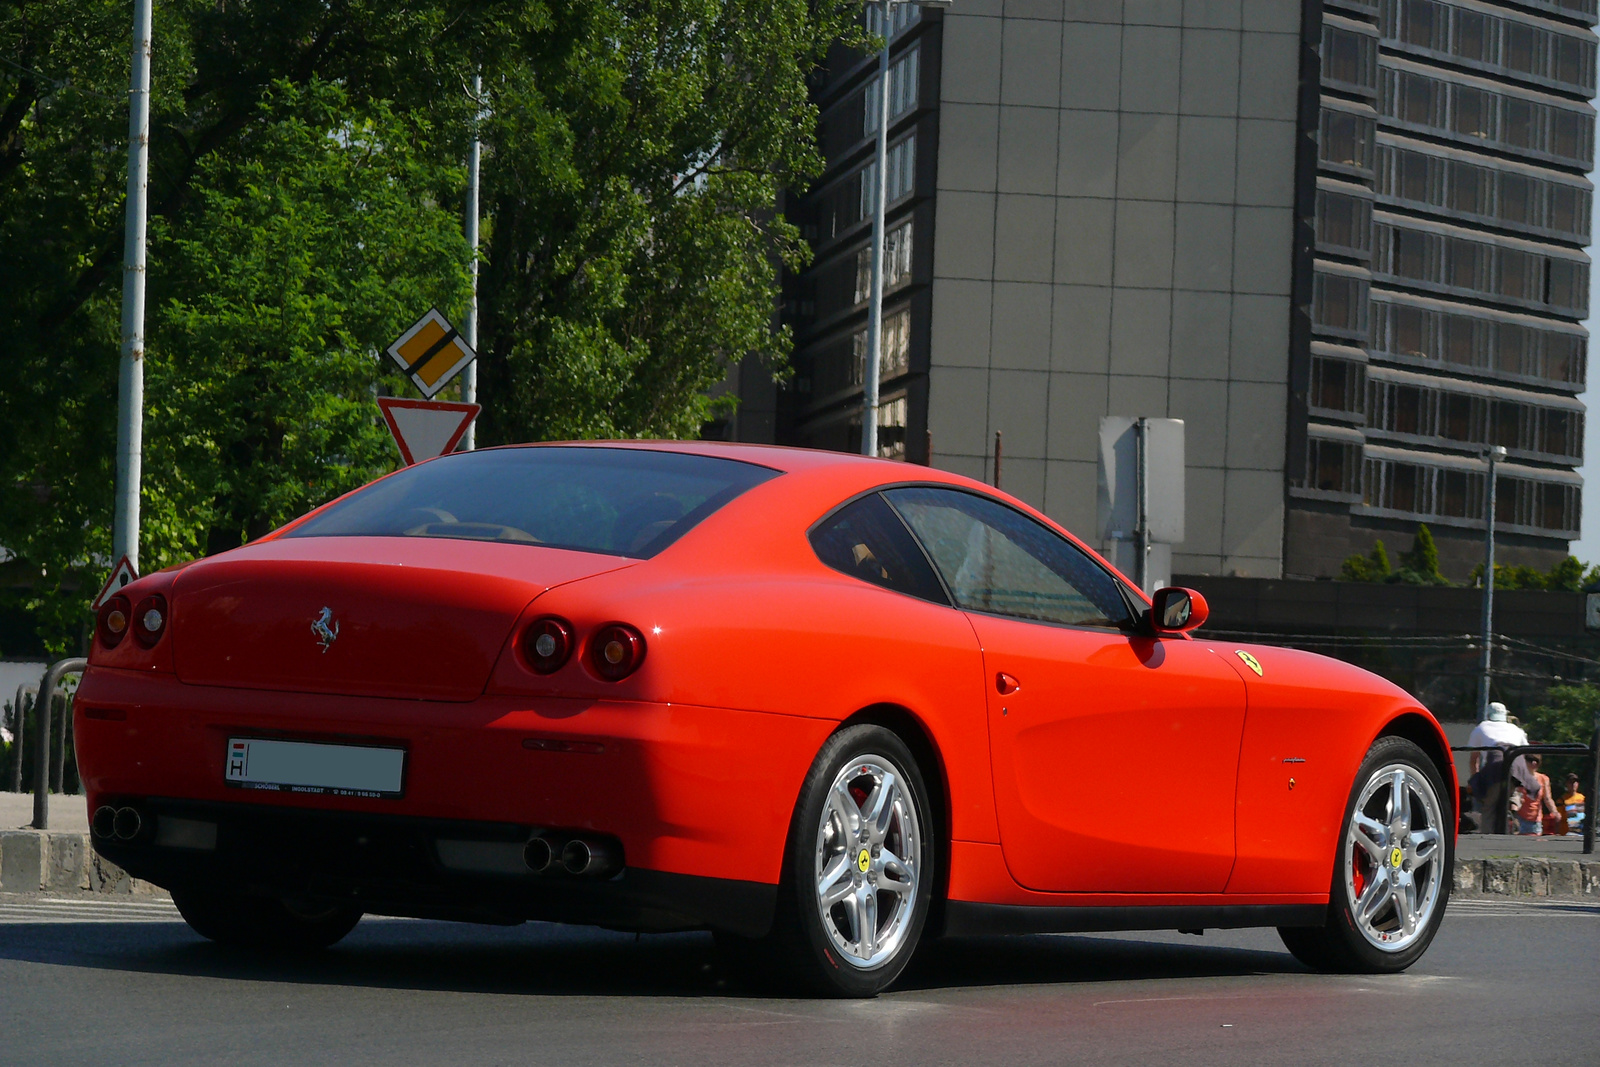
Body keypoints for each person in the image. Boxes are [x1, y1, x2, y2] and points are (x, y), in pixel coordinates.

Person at [1465, 702, 1527, 831]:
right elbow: (1525, 753)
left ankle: (1489, 836)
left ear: (1488, 715)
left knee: (1490, 805)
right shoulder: (1516, 729)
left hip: (1495, 766)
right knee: (1507, 798)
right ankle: (1512, 810)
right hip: (1516, 765)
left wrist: (1475, 780)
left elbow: (1473, 759)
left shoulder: (1481, 727)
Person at [1509, 754, 1557, 835]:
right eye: (1530, 760)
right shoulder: (1517, 777)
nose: (1534, 763)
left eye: (1537, 761)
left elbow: (1547, 799)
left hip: (1535, 820)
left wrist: (1555, 812)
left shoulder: (1543, 778)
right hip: (1518, 818)